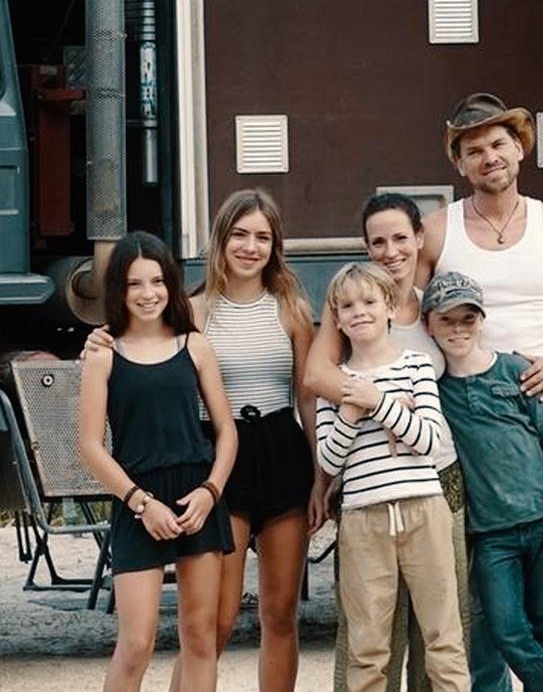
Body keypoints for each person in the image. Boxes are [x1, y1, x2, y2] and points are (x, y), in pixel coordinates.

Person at [306, 92, 543, 692]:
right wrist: (369, 394)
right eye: (474, 150)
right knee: (476, 591)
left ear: (519, 148)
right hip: (462, 434)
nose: (489, 157)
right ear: (459, 162)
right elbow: (398, 310)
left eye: (499, 144)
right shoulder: (440, 232)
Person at [85, 190, 318, 692]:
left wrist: (321, 475)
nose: (250, 247)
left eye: (262, 237)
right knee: (215, 620)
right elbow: (143, 343)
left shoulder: (293, 309)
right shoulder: (192, 310)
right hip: (217, 457)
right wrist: (97, 338)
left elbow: (306, 398)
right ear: (220, 239)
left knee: (280, 613)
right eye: (240, 234)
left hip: (281, 449)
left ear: (275, 245)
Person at [77, 231, 238, 692]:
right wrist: (141, 503)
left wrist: (210, 492)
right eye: (134, 283)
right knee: (135, 643)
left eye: (157, 281)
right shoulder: (103, 355)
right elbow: (90, 445)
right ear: (118, 290)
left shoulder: (194, 346)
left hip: (196, 496)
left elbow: (226, 431)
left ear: (171, 283)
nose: (148, 293)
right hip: (137, 501)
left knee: (200, 637)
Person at [331, 194, 470, 692]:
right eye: (378, 242)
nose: (390, 251)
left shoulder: (438, 303)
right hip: (367, 497)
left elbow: (434, 428)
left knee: (444, 631)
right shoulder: (349, 305)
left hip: (433, 485)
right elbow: (321, 385)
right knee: (370, 637)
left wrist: (381, 404)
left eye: (400, 238)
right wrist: (362, 404)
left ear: (419, 238)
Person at [424, 271, 543, 692]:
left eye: (467, 319)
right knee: (507, 631)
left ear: (481, 321)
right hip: (492, 535)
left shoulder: (515, 371)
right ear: (429, 325)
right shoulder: (436, 391)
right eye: (446, 319)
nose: (458, 329)